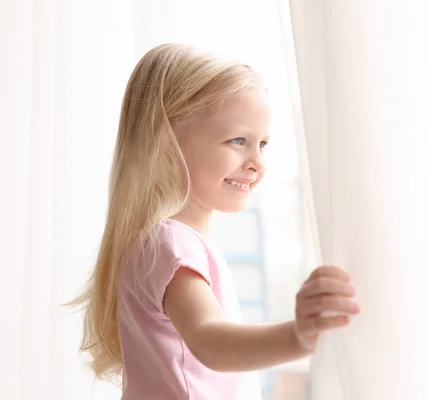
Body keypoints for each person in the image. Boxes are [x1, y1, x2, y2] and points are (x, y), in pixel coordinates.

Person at [71, 43, 360, 400]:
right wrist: (297, 336)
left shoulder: (161, 242)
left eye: (263, 144)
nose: (257, 163)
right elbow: (208, 338)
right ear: (168, 140)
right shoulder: (171, 244)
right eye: (238, 141)